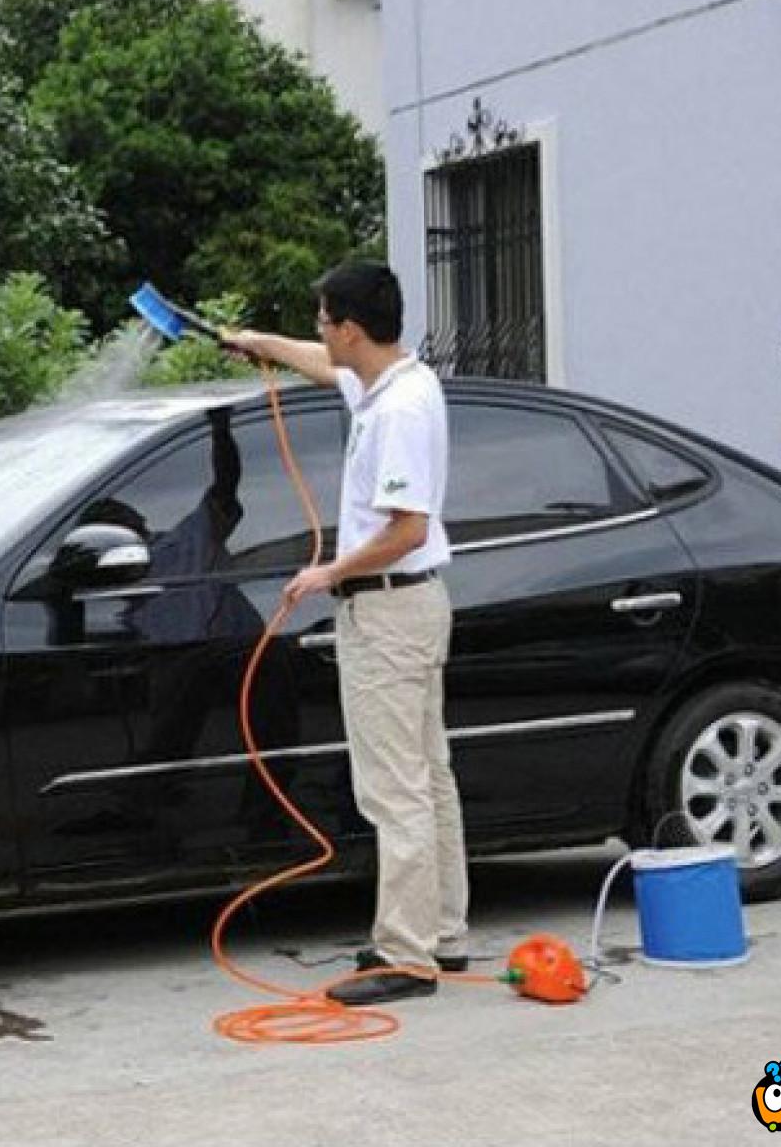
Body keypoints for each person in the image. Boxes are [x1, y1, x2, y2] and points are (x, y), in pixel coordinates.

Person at [225, 260, 468, 1006]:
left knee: (395, 790)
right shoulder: (396, 379)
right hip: (416, 605)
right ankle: (441, 934)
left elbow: (406, 529)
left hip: (388, 608)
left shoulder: (397, 413)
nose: (319, 332)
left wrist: (327, 574)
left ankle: (405, 956)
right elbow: (323, 368)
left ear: (353, 329)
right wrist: (255, 342)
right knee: (428, 777)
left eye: (324, 321)